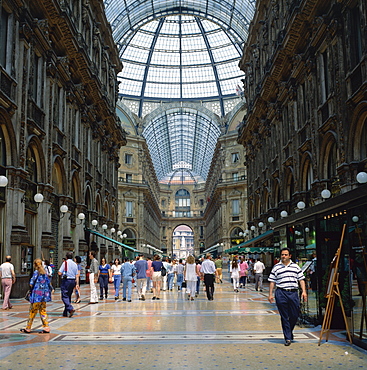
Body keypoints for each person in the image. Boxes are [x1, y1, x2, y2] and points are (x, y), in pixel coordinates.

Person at [268, 248, 307, 346]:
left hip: (293, 293)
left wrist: (304, 292)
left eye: (285, 255)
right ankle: (288, 338)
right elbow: (272, 281)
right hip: (281, 292)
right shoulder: (276, 267)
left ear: (290, 256)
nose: (283, 256)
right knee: (284, 316)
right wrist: (270, 294)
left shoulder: (296, 267)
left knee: (295, 314)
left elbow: (301, 280)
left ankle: (289, 331)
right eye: (282, 255)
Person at [20, 259, 53, 333]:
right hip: (44, 296)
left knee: (32, 311)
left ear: (35, 265)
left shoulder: (36, 273)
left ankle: (28, 328)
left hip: (36, 296)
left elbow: (31, 283)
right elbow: (49, 283)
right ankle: (46, 327)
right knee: (43, 311)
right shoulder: (45, 273)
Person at [58, 252, 78, 317]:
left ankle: (70, 308)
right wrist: (77, 283)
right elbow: (77, 274)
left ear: (66, 257)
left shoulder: (65, 263)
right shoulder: (75, 264)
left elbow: (59, 273)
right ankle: (65, 312)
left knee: (64, 296)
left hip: (66, 281)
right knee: (68, 296)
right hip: (73, 281)